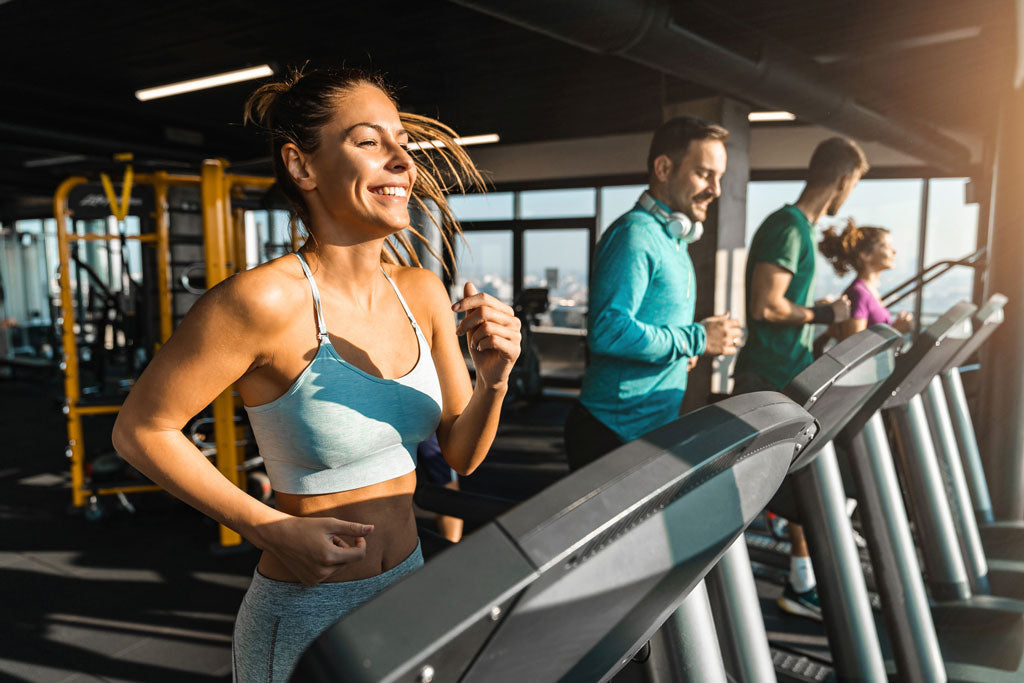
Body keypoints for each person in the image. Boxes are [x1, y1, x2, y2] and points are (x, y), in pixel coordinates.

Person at [111, 66, 521, 682]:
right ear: (302, 167)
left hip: (409, 581)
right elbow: (141, 430)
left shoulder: (423, 292)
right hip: (309, 609)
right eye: (368, 142)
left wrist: (494, 380)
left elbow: (462, 456)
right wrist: (266, 527)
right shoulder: (261, 302)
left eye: (401, 145)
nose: (402, 162)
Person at [734, 136, 868, 621]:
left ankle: (801, 577)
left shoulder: (800, 230)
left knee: (794, 484)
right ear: (843, 178)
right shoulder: (789, 227)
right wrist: (822, 312)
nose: (851, 195)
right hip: (767, 379)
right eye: (855, 184)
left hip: (782, 373)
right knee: (782, 488)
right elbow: (765, 305)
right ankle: (790, 584)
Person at [565, 116, 743, 471]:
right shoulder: (635, 235)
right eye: (705, 174)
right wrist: (696, 339)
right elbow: (608, 331)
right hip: (611, 433)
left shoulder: (672, 239)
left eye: (719, 178)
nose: (716, 190)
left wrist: (683, 350)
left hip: (646, 432)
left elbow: (655, 328)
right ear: (664, 168)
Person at [818, 220, 914, 340]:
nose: (894, 251)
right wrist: (895, 330)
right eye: (886, 246)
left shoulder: (869, 291)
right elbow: (852, 350)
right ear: (865, 255)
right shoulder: (858, 293)